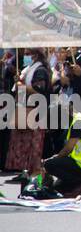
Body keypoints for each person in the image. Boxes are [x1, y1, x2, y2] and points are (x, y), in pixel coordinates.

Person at [39, 109, 81, 198]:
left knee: (49, 165)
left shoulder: (79, 123)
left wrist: (53, 159)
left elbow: (68, 149)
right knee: (58, 189)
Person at [6, 49, 50, 178]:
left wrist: (22, 85)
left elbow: (39, 91)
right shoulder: (28, 69)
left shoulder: (40, 71)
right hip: (26, 110)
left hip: (36, 112)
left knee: (34, 145)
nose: (25, 57)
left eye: (27, 54)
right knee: (24, 144)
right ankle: (27, 171)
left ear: (35, 55)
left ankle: (36, 172)